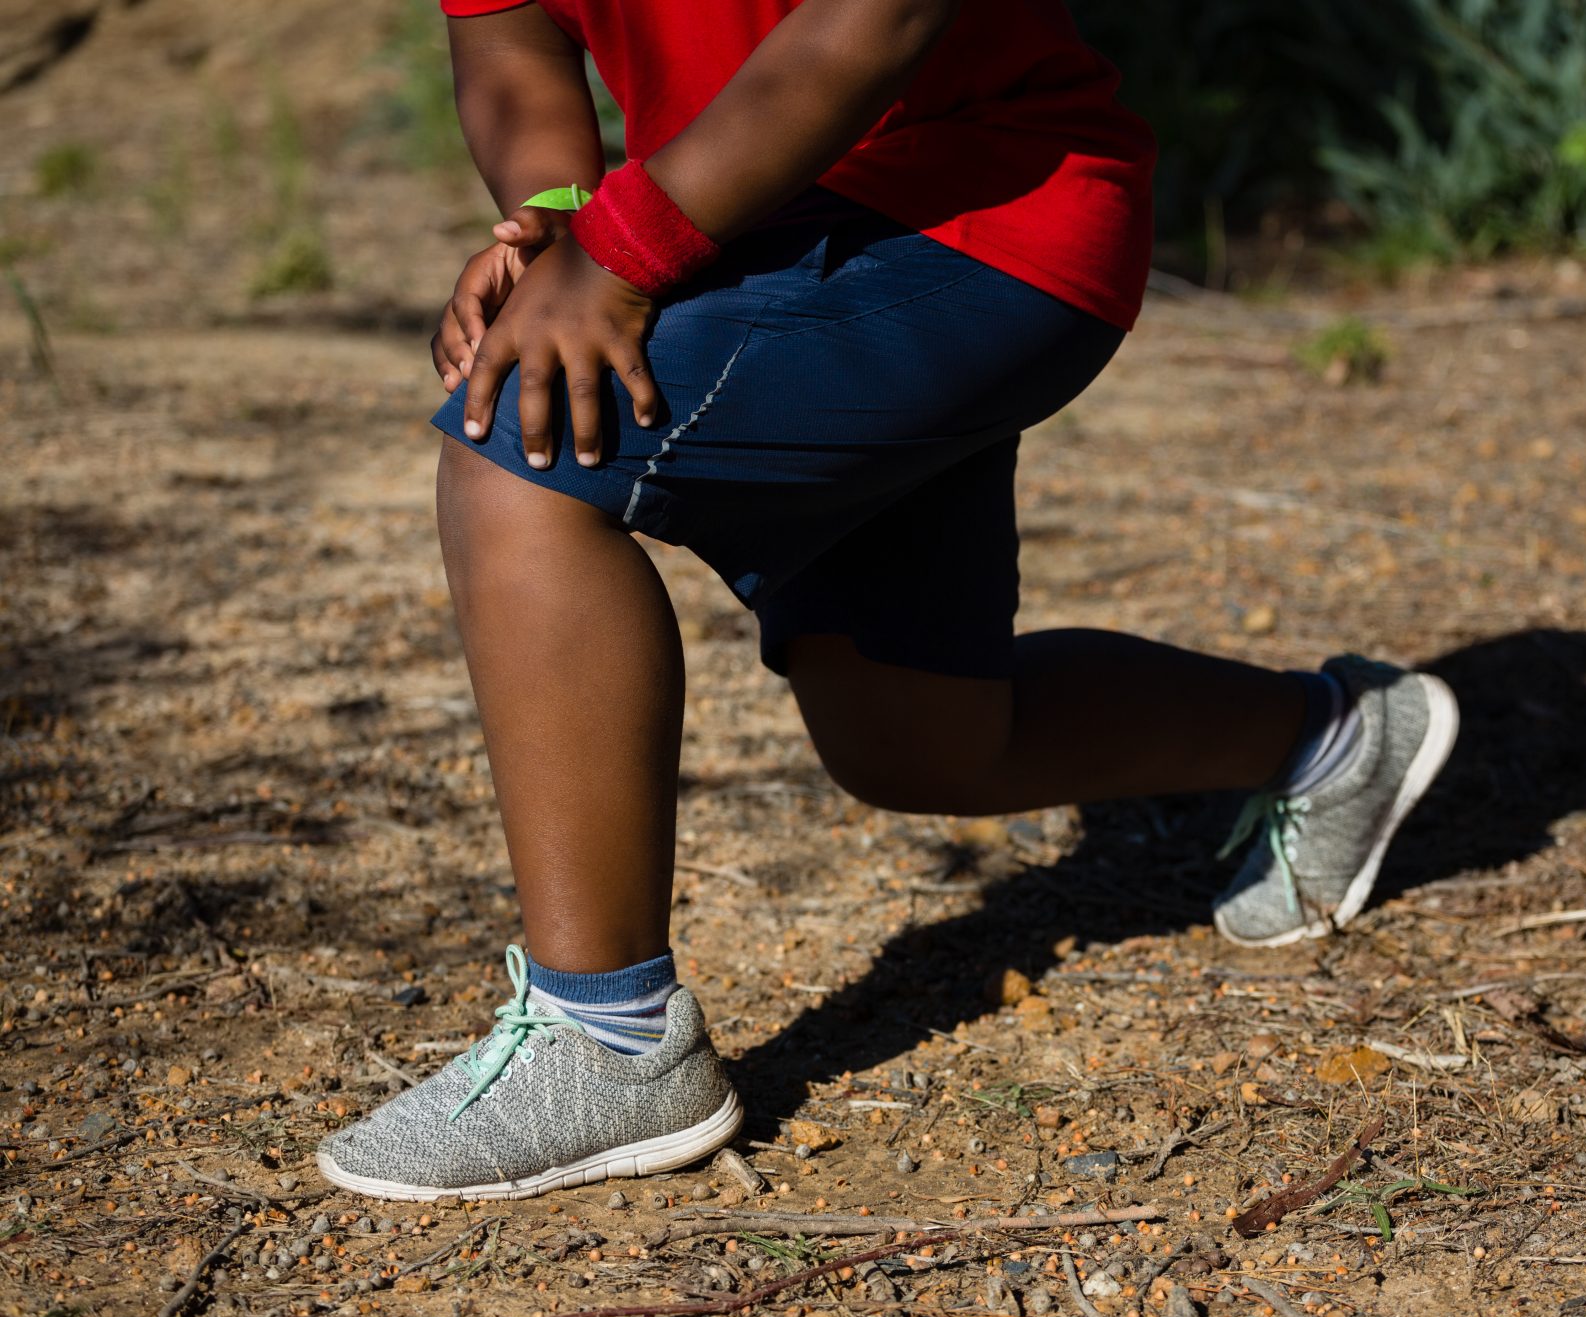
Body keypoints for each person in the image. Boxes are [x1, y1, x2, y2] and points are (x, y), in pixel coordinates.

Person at [315, 0, 1459, 1202]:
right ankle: (1328, 738)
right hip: (749, 211)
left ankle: (607, 1038)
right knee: (917, 738)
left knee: (519, 446)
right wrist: (553, 216)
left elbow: (880, 18)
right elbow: (509, 39)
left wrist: (612, 258)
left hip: (985, 213)